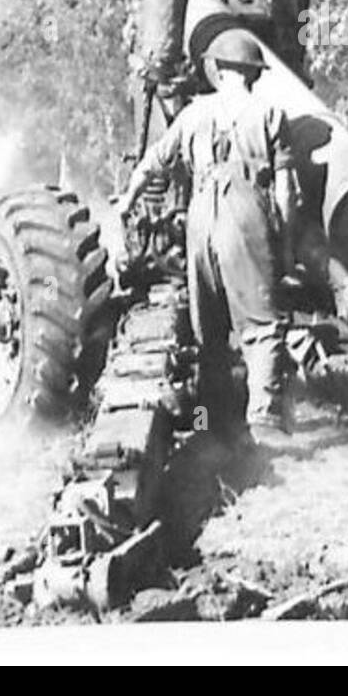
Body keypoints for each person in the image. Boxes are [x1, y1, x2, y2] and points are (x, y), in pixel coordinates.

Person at [112, 29, 301, 446]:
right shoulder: (271, 114)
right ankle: (265, 421)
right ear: (253, 73)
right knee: (263, 324)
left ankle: (214, 426)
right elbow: (286, 191)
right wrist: (284, 246)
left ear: (218, 70)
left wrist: (127, 201)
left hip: (200, 217)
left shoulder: (194, 113)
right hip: (247, 212)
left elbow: (153, 162)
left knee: (209, 329)